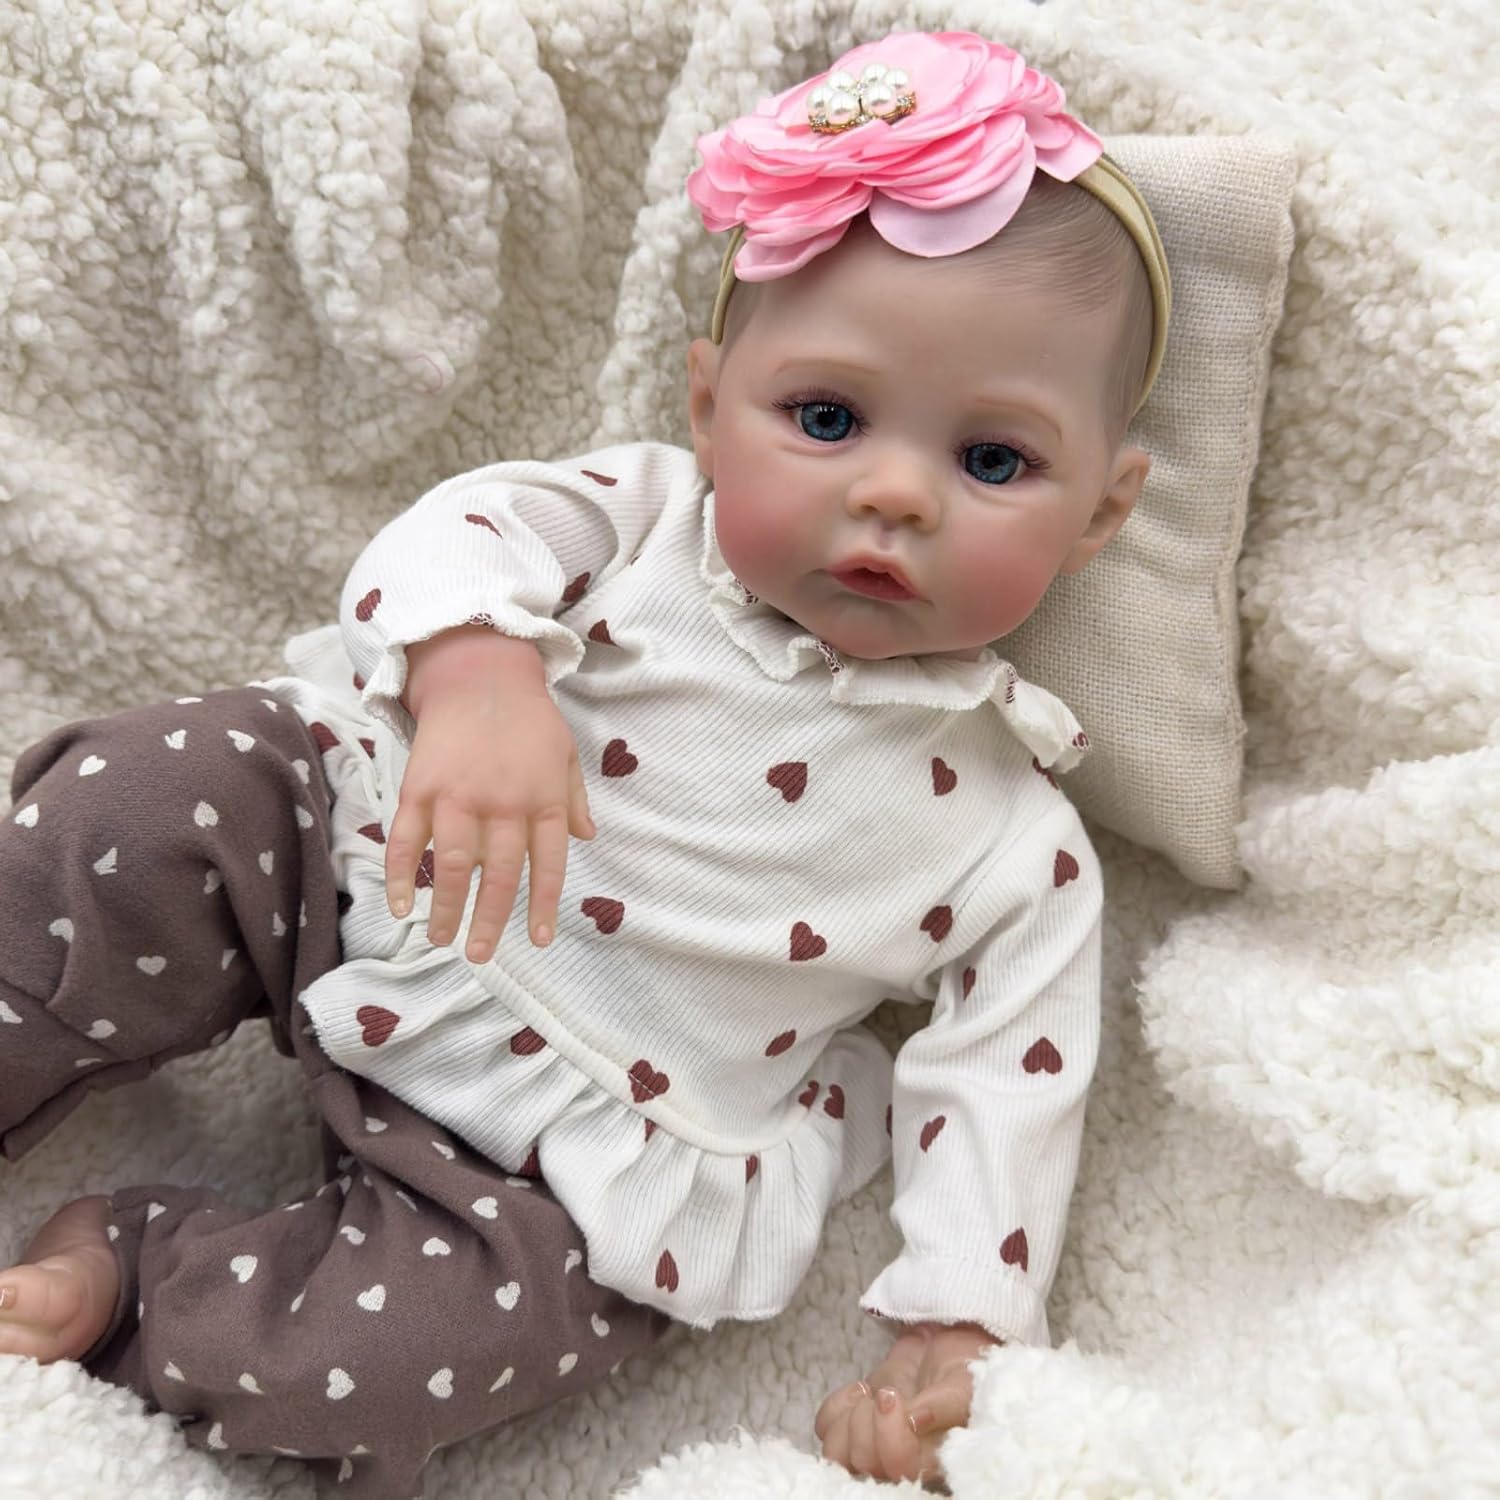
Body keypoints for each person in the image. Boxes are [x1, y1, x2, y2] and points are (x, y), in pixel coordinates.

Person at [0, 30, 1170, 1497]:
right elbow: (450, 535)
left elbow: (1010, 1081)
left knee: (402, 1354)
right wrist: (477, 674)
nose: (892, 493)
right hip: (361, 862)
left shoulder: (1012, 833)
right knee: (153, 799)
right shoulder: (640, 523)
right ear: (708, 406)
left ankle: (144, 1281)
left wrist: (957, 1329)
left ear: (1103, 510)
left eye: (993, 461)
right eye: (824, 419)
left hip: (579, 1153)